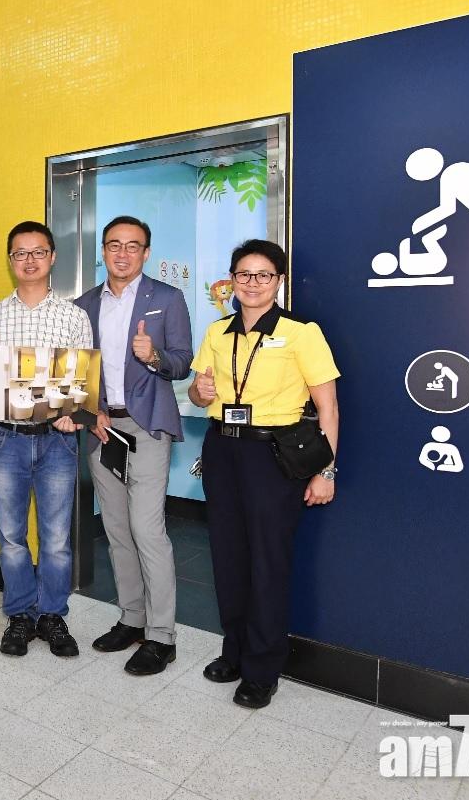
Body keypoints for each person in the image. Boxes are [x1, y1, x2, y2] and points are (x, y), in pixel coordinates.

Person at [189, 239, 340, 709]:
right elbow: (197, 393)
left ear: (279, 281)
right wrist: (199, 390)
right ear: (231, 280)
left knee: (268, 562)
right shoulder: (218, 332)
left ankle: (262, 668)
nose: (252, 283)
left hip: (274, 456)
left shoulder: (301, 332)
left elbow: (328, 408)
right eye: (244, 274)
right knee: (228, 557)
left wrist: (327, 470)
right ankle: (233, 651)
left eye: (263, 275)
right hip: (222, 450)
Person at [0, 220, 93, 658]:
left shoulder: (74, 316)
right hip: (8, 439)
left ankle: (53, 615)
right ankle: (20, 614)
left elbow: (82, 381)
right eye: (20, 253)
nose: (30, 260)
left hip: (58, 441)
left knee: (56, 538)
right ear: (11, 261)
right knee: (11, 535)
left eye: (38, 252)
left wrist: (74, 414)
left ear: (52, 257)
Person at [74, 216, 193, 675]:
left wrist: (154, 356)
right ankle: (132, 618)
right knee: (118, 530)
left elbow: (182, 362)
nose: (122, 253)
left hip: (148, 426)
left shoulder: (167, 299)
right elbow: (77, 372)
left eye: (132, 246)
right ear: (103, 251)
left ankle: (162, 636)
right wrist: (91, 414)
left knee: (147, 530)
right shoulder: (84, 305)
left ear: (146, 252)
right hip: (104, 430)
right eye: (114, 245)